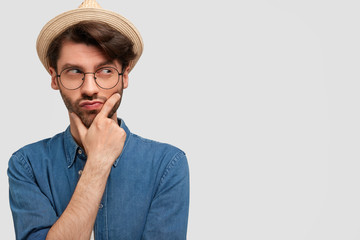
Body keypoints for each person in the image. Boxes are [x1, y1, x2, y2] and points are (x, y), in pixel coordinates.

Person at [7, 0, 189, 239]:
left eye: (105, 71)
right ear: (54, 78)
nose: (90, 88)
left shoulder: (168, 164)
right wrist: (97, 163)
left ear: (125, 75)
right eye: (75, 72)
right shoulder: (27, 165)